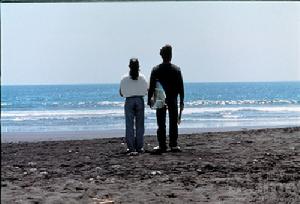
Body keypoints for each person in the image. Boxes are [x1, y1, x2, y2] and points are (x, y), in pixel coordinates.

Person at [148, 44, 184, 154]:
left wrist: (149, 99)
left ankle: (162, 145)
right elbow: (181, 87)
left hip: (160, 98)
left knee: (161, 122)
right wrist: (182, 100)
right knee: (173, 122)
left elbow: (152, 86)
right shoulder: (176, 69)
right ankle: (173, 144)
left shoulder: (156, 69)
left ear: (162, 56)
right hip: (172, 97)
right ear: (170, 55)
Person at [120, 58, 148, 155]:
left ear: (129, 66)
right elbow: (146, 91)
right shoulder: (143, 78)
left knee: (129, 125)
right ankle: (139, 146)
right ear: (139, 66)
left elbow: (121, 93)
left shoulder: (124, 78)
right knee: (140, 125)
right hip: (139, 100)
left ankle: (131, 147)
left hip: (129, 101)